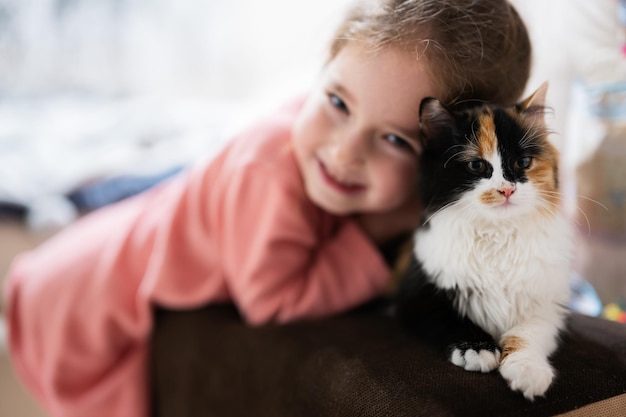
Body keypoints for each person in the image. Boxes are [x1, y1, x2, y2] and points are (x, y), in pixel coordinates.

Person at [3, 1, 531, 416]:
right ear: (321, 73)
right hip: (79, 293)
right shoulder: (266, 175)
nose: (343, 152)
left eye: (394, 140)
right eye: (337, 102)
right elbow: (273, 301)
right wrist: (376, 232)